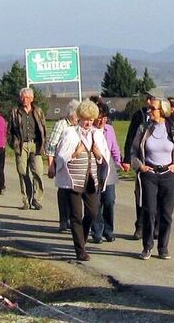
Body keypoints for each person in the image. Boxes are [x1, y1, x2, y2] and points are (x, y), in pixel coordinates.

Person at [131, 97, 174, 260]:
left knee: (166, 214)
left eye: (153, 109)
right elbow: (134, 151)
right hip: (149, 175)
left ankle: (163, 247)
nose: (149, 111)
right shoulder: (144, 128)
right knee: (149, 211)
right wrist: (140, 166)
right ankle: (147, 246)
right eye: (149, 109)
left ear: (162, 111)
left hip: (168, 175)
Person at [54, 100, 111, 261]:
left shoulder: (97, 134)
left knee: (92, 212)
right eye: (85, 119)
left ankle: (82, 239)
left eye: (91, 120)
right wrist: (75, 153)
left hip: (91, 181)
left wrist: (98, 154)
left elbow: (103, 158)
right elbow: (61, 156)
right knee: (76, 216)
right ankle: (80, 250)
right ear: (79, 118)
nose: (88, 123)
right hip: (73, 181)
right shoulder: (70, 133)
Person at [123, 88, 162, 239]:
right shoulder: (139, 115)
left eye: (151, 98)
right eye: (147, 98)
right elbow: (130, 138)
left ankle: (157, 227)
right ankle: (140, 226)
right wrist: (127, 159)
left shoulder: (166, 119)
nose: (147, 101)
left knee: (159, 197)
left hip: (160, 165)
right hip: (142, 162)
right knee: (141, 195)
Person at [8, 88, 47, 210]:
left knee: (38, 172)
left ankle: (36, 199)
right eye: (22, 97)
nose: (24, 99)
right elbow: (9, 130)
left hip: (35, 144)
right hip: (21, 145)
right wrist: (13, 143)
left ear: (32, 98)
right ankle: (26, 201)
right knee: (22, 172)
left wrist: (43, 144)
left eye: (27, 97)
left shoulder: (38, 111)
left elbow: (43, 129)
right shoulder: (15, 111)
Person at [91, 101, 123, 243]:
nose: (102, 120)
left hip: (108, 167)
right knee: (96, 201)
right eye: (99, 117)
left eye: (104, 117)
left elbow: (114, 147)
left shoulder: (109, 129)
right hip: (92, 167)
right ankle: (97, 231)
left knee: (109, 200)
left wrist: (119, 162)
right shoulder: (89, 130)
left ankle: (108, 230)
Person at [46, 99, 80, 232]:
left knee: (74, 192)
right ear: (71, 114)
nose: (78, 117)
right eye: (77, 114)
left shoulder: (79, 126)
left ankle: (74, 219)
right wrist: (51, 165)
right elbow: (51, 145)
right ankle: (63, 220)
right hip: (61, 164)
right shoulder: (61, 124)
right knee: (63, 192)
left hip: (76, 164)